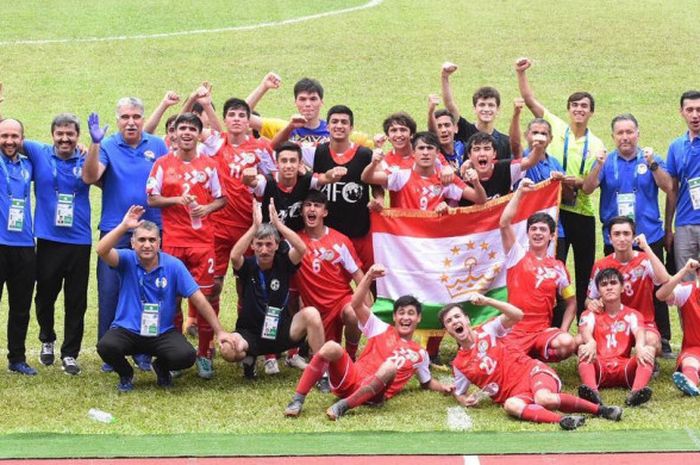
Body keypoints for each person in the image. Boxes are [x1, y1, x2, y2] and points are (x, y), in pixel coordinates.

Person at [284, 264, 452, 420]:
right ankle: (297, 400)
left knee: (390, 366)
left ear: (419, 318)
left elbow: (427, 382)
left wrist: (443, 387)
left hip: (374, 395)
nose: (406, 317)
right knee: (331, 347)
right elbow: (356, 304)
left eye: (411, 313)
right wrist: (369, 276)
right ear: (394, 317)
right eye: (401, 313)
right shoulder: (380, 327)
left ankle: (344, 406)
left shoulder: (420, 354)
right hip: (351, 380)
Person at [96, 205, 235, 392]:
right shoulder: (127, 260)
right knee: (106, 346)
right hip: (127, 329)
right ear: (133, 243)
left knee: (185, 356)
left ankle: (161, 367)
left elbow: (199, 299)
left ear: (159, 243)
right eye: (142, 240)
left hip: (161, 332)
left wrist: (219, 332)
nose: (147, 245)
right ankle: (126, 374)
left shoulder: (174, 265)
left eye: (152, 240)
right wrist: (123, 226)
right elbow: (102, 250)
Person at [440, 294, 623, 430]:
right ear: (448, 330)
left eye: (457, 317)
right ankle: (563, 421)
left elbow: (517, 315)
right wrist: (464, 400)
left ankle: (601, 410)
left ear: (467, 320)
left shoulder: (487, 330)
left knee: (543, 398)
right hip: (515, 394)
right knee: (510, 406)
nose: (454, 321)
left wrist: (488, 301)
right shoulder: (459, 364)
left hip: (532, 372)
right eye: (449, 321)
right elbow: (460, 392)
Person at [516, 57, 606, 319]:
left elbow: (588, 186)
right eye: (575, 105)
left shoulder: (596, 144)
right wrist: (521, 72)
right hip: (554, 212)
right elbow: (530, 100)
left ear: (591, 112)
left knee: (584, 270)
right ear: (568, 109)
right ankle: (551, 322)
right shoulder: (556, 127)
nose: (579, 109)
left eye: (584, 106)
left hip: (582, 212)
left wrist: (569, 180)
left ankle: (584, 322)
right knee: (554, 267)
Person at [82, 98, 169, 372]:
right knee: (110, 290)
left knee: (149, 292)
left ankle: (145, 351)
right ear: (117, 120)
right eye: (125, 117)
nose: (130, 122)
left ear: (143, 119)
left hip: (152, 228)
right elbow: (90, 176)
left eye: (136, 116)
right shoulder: (107, 145)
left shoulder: (157, 145)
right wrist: (95, 143)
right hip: (115, 229)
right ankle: (111, 352)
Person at [581, 113, 673, 355]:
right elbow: (588, 189)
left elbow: (668, 186)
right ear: (613, 136)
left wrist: (653, 164)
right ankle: (615, 337)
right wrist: (597, 165)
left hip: (649, 236)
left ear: (638, 134)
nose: (625, 137)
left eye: (629, 132)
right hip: (616, 238)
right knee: (612, 289)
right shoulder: (606, 161)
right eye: (620, 133)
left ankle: (661, 340)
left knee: (655, 290)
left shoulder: (650, 158)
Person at [146, 112, 227, 379]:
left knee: (204, 298)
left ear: (198, 133)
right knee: (172, 298)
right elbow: (152, 199)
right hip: (173, 242)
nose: (187, 133)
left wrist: (207, 208)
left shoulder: (210, 164)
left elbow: (221, 199)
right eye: (182, 128)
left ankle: (205, 354)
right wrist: (178, 200)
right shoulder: (162, 163)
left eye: (193, 129)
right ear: (174, 133)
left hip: (203, 243)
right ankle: (175, 354)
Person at [222, 200, 324, 379]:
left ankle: (320, 373)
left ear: (277, 246)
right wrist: (254, 227)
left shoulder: (283, 262)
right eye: (259, 244)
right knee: (228, 350)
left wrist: (278, 225)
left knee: (312, 314)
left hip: (281, 330)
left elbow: (301, 248)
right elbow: (234, 256)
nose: (264, 250)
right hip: (251, 333)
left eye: (269, 244)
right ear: (252, 246)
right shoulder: (248, 266)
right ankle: (249, 358)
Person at [199, 97, 276, 333]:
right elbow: (186, 131)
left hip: (250, 227)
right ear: (224, 120)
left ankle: (248, 335)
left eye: (242, 115)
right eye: (232, 115)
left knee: (248, 285)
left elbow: (275, 180)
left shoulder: (262, 148)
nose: (237, 119)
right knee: (213, 287)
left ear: (248, 121)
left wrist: (259, 181)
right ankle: (206, 348)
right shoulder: (215, 143)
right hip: (219, 228)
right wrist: (204, 103)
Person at [22, 113, 91, 375]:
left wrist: (91, 147)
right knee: (44, 296)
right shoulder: (38, 152)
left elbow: (97, 172)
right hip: (48, 240)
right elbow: (7, 137)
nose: (65, 138)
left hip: (79, 241)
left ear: (77, 136)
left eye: (70, 134)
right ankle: (47, 339)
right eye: (60, 134)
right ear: (52, 135)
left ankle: (70, 353)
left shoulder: (86, 157)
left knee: (76, 300)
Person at [499, 178, 577, 362]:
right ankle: (526, 357)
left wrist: (562, 330)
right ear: (527, 233)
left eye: (543, 229)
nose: (538, 233)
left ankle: (537, 353)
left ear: (552, 235)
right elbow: (504, 223)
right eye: (533, 229)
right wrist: (520, 192)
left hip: (542, 331)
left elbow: (572, 303)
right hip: (516, 330)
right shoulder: (516, 255)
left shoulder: (558, 268)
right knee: (505, 361)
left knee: (567, 343)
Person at [295, 190, 365, 362]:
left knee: (353, 312)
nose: (312, 209)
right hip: (315, 312)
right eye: (308, 205)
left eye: (317, 206)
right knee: (324, 358)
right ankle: (301, 347)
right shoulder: (294, 242)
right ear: (302, 211)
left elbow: (357, 273)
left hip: (341, 301)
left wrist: (366, 308)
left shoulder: (340, 240)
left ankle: (351, 355)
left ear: (324, 212)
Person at [585, 217, 670, 356]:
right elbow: (589, 299)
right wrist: (592, 304)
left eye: (626, 233)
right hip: (612, 322)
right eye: (617, 234)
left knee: (652, 342)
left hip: (643, 322)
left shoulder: (645, 260)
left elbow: (664, 279)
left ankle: (646, 363)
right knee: (580, 342)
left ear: (634, 236)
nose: (622, 238)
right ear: (610, 238)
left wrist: (646, 247)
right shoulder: (601, 265)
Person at [311, 105, 377, 272]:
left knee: (371, 278)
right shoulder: (317, 152)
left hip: (359, 231)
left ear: (351, 127)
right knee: (332, 282)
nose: (339, 126)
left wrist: (379, 200)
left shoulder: (364, 155)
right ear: (327, 126)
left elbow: (377, 187)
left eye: (344, 122)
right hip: (328, 234)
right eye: (334, 121)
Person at [577, 268, 655, 407]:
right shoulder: (590, 314)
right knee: (583, 349)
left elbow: (639, 333)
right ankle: (592, 393)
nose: (609, 287)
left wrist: (640, 346)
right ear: (599, 291)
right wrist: (590, 342)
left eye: (613, 283)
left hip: (624, 367)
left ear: (622, 288)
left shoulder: (633, 314)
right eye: (604, 284)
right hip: (599, 366)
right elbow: (585, 331)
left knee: (648, 349)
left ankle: (635, 394)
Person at [362, 131, 486, 211]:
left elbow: (480, 199)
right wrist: (374, 163)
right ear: (414, 153)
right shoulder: (400, 175)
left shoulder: (446, 178)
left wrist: (475, 182)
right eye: (421, 148)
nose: (425, 153)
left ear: (437, 153)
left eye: (430, 148)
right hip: (406, 241)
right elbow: (367, 178)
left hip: (432, 240)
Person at [0, 118, 37, 375]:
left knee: (21, 306)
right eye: (4, 136)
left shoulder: (28, 165)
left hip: (24, 245)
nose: (9, 141)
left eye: (14, 136)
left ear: (22, 139)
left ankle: (17, 358)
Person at [440, 62, 512, 160]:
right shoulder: (464, 129)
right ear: (474, 109)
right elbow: (449, 105)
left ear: (498, 109)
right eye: (482, 105)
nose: (486, 109)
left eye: (491, 105)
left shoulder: (506, 142)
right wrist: (445, 77)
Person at [665, 90, 700, 282]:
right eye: (690, 110)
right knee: (686, 285)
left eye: (699, 110)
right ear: (682, 112)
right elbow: (672, 190)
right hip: (685, 224)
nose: (695, 115)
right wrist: (668, 228)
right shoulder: (676, 146)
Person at [656, 258, 700, 397]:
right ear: (698, 274)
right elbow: (661, 295)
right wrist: (684, 271)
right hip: (694, 348)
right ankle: (690, 383)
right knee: (689, 364)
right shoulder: (688, 290)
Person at [459, 131, 540, 205]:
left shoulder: (506, 168)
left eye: (487, 149)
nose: (482, 153)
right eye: (476, 149)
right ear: (469, 155)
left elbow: (530, 161)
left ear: (494, 154)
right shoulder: (461, 176)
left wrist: (539, 147)